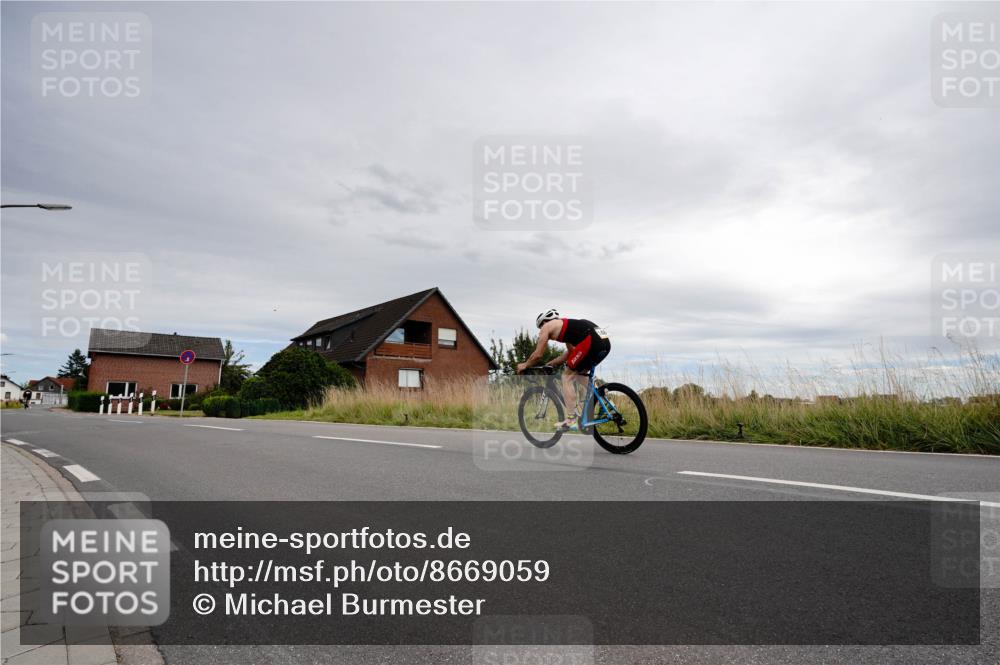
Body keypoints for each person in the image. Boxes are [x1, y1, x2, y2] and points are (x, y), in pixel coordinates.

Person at [516, 309, 611, 430]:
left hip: (592, 340)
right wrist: (552, 363)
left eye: (540, 328)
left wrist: (525, 364)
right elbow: (571, 353)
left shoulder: (547, 326)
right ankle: (604, 401)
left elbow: (538, 354)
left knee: (566, 377)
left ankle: (571, 420)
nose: (541, 331)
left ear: (544, 322)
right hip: (604, 342)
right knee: (579, 374)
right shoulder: (567, 329)